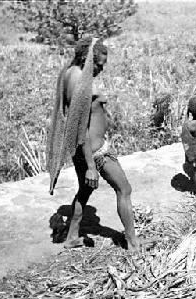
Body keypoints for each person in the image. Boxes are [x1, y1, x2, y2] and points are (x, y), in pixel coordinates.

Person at [46, 37, 140, 251]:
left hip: (83, 151)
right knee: (124, 189)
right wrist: (90, 166)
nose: (102, 69)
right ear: (87, 59)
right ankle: (133, 243)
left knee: (84, 191)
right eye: (99, 64)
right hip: (95, 153)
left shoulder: (69, 73)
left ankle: (71, 237)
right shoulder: (81, 83)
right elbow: (81, 128)